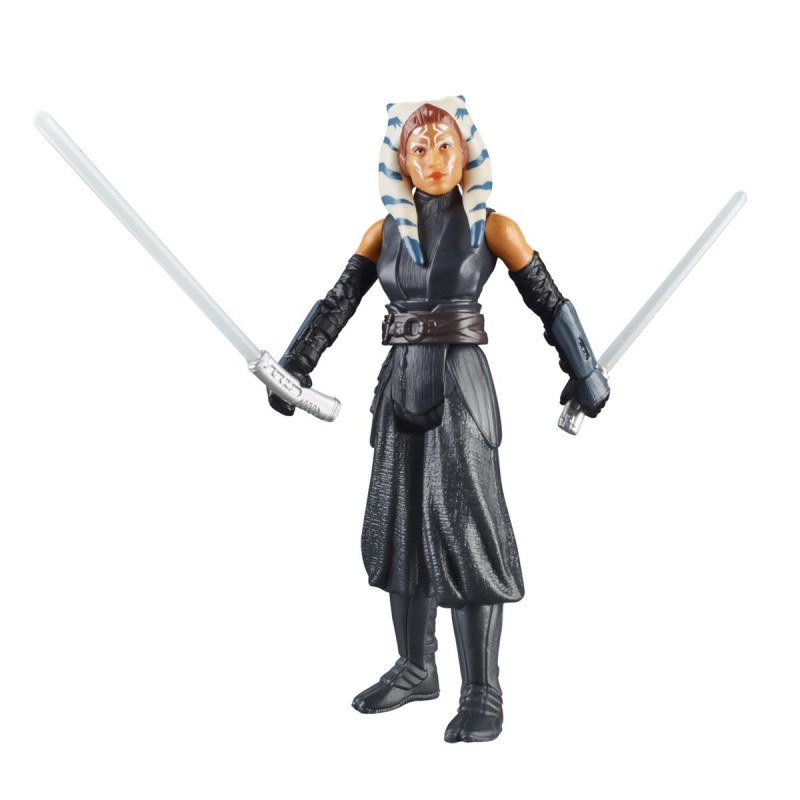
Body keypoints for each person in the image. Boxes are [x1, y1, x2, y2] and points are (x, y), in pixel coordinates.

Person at [269, 97, 609, 743]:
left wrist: (584, 371)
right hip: (400, 383)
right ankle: (415, 667)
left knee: (468, 529)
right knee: (398, 524)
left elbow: (548, 302)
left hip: (460, 388)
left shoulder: (495, 228)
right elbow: (339, 302)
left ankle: (482, 689)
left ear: (466, 152)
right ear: (400, 160)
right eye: (418, 148)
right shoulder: (381, 233)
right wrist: (297, 364)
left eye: (444, 145)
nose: (432, 159)